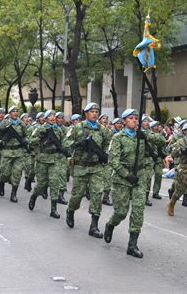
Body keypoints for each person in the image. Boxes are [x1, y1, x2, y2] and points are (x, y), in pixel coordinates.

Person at [103, 109, 147, 258]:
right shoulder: (118, 138)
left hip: (139, 177)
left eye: (136, 118)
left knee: (138, 211)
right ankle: (110, 225)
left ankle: (132, 245)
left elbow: (160, 148)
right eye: (131, 118)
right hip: (122, 179)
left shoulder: (141, 136)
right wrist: (126, 175)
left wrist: (147, 138)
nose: (134, 120)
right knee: (121, 212)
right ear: (124, 121)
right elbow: (113, 160)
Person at [64, 102, 109, 239]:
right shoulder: (77, 128)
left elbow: (108, 145)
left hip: (97, 167)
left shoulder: (103, 130)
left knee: (97, 195)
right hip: (81, 166)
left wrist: (105, 155)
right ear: (86, 113)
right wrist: (78, 144)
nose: (94, 114)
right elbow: (65, 143)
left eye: (96, 111)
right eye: (92, 111)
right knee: (77, 195)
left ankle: (94, 226)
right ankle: (71, 210)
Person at [28, 110, 70, 218]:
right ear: (46, 118)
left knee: (54, 183)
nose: (52, 117)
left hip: (55, 160)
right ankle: (34, 196)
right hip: (42, 160)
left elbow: (65, 143)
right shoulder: (40, 128)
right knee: (41, 184)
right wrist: (40, 138)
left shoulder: (59, 130)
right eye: (50, 116)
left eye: (53, 116)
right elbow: (30, 142)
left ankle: (53, 209)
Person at [0, 106, 29, 202]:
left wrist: (25, 141)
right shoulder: (5, 122)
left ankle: (13, 194)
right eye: (13, 111)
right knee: (5, 173)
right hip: (7, 152)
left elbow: (26, 135)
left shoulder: (21, 124)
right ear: (10, 113)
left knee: (17, 174)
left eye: (17, 111)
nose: (15, 113)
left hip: (18, 152)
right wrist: (4, 132)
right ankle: (1, 183)